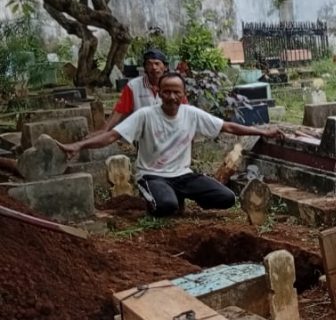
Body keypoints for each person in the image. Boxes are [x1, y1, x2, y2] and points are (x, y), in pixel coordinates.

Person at [58, 72, 282, 217]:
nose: (172, 96)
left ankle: (179, 195)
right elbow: (111, 136)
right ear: (159, 93)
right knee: (166, 207)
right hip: (152, 175)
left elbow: (229, 127)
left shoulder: (191, 114)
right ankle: (160, 197)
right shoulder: (145, 115)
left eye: (177, 92)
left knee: (227, 199)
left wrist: (263, 131)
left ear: (184, 94)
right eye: (167, 91)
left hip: (183, 175)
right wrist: (79, 146)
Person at [100, 47, 183, 134]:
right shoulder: (133, 86)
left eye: (157, 63)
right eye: (149, 64)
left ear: (165, 67)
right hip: (142, 135)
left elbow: (184, 110)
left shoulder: (175, 84)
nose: (154, 67)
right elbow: (119, 111)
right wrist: (104, 130)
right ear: (145, 68)